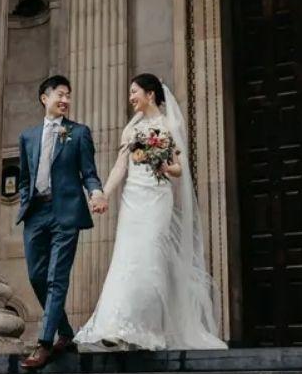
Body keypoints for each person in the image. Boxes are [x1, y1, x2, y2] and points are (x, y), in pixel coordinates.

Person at [75, 74, 227, 351]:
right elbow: (120, 166)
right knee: (127, 257)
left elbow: (178, 168)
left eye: (134, 92)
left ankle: (148, 328)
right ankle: (116, 325)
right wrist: (104, 194)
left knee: (150, 258)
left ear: (150, 94)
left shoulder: (169, 125)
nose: (131, 97)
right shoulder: (131, 130)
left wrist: (166, 168)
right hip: (133, 198)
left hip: (158, 199)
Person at [16, 75, 107, 371]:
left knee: (57, 277)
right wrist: (24, 201)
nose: (65, 100)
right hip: (35, 213)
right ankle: (65, 331)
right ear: (45, 97)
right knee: (36, 276)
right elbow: (25, 178)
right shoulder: (28, 136)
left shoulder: (78, 133)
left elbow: (88, 172)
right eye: (60, 94)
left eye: (68, 95)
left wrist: (95, 191)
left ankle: (44, 343)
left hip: (65, 213)